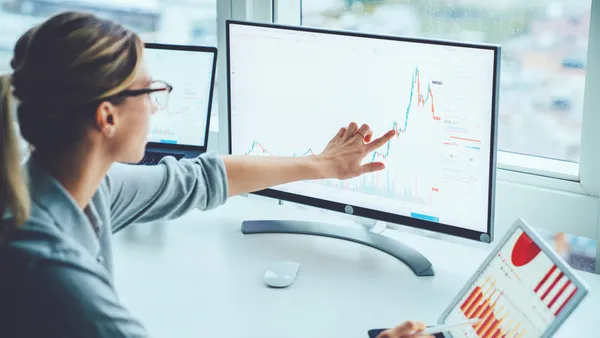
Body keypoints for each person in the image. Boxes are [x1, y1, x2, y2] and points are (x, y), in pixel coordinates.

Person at [0, 11, 432, 338]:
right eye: (150, 91)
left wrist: (324, 164)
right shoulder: (52, 272)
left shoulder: (71, 187)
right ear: (106, 117)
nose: (155, 106)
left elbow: (200, 179)